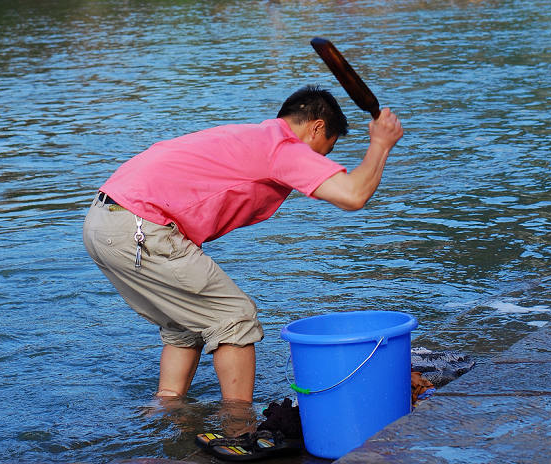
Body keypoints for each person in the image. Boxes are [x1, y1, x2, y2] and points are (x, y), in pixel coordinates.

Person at [83, 86, 403, 417]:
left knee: (187, 322)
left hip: (104, 220)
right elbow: (352, 195)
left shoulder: (255, 137)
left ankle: (163, 410)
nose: (319, 162)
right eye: (325, 151)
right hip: (138, 225)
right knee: (234, 317)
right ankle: (239, 425)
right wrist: (380, 144)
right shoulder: (284, 147)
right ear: (317, 127)